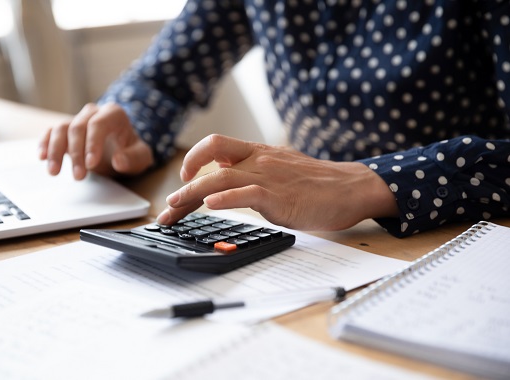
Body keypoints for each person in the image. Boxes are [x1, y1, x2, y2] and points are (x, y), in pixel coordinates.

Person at [39, 0, 510, 237]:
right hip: (316, 239)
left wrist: (369, 181)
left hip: (462, 239)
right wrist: (128, 126)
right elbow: (163, 78)